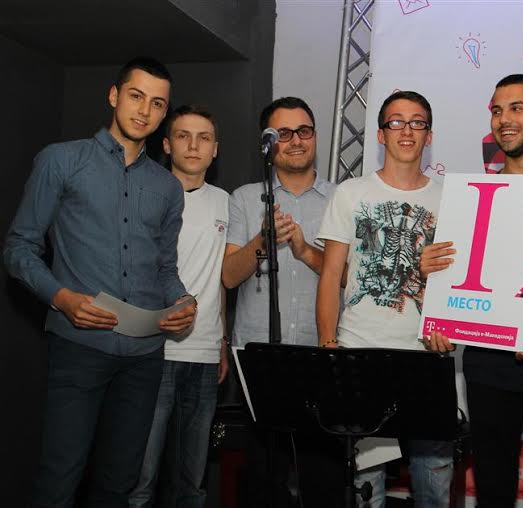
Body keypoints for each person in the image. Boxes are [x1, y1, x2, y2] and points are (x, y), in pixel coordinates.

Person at [4, 57, 197, 507]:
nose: (144, 110)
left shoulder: (168, 188)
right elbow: (18, 248)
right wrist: (61, 298)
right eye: (136, 96)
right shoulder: (61, 160)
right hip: (79, 347)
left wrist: (183, 301)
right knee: (59, 480)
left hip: (144, 358)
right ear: (114, 96)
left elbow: (165, 269)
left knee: (119, 484)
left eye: (157, 103)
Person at [420, 74, 523, 507]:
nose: (504, 119)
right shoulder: (469, 201)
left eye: (517, 108)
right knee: (493, 495)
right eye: (497, 110)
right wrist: (434, 296)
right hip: (488, 374)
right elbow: (451, 283)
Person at [316, 90, 453, 507]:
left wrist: (449, 328)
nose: (406, 130)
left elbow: (459, 283)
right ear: (380, 134)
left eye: (417, 122)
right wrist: (328, 345)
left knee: (434, 487)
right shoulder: (351, 193)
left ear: (429, 135)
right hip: (360, 354)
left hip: (426, 357)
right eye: (396, 122)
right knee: (366, 491)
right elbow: (330, 276)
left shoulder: (450, 198)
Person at [222, 97, 343, 507]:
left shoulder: (340, 198)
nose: (296, 141)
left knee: (322, 481)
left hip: (321, 356)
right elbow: (228, 275)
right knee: (264, 480)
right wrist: (263, 240)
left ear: (315, 136)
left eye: (304, 131)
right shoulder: (244, 198)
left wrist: (306, 251)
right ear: (267, 143)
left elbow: (350, 278)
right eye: (284, 133)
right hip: (258, 358)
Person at [129, 105, 229, 507]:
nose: (193, 145)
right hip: (154, 351)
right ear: (167, 145)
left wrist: (222, 341)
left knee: (193, 482)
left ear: (215, 149)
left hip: (205, 356)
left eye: (204, 138)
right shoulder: (143, 196)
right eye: (183, 136)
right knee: (141, 479)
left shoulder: (225, 202)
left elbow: (221, 277)